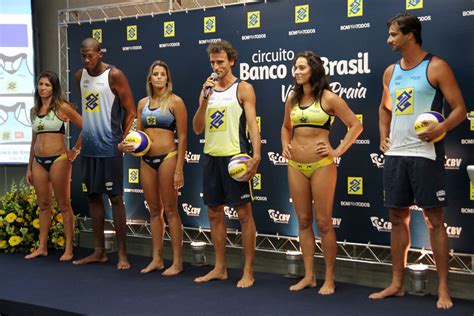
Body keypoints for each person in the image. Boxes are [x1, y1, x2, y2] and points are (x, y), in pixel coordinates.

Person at [369, 13, 466, 309]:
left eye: (394, 34)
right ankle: (397, 284)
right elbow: (384, 108)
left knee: (435, 222)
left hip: (426, 155)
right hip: (396, 155)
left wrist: (442, 128)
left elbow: (460, 109)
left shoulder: (436, 67)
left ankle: (443, 290)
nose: (389, 40)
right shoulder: (390, 72)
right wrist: (384, 136)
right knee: (397, 219)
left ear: (410, 35)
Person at [281, 51, 362, 295]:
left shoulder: (329, 98)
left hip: (321, 166)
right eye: (295, 67)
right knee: (304, 221)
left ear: (313, 70)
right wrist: (285, 143)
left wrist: (336, 151)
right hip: (295, 165)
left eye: (302, 68)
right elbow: (286, 127)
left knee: (324, 223)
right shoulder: (292, 99)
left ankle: (329, 278)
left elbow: (356, 125)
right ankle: (309, 276)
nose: (296, 72)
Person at [192, 40, 261, 288]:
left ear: (231, 61)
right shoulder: (206, 90)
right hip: (211, 156)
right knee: (213, 213)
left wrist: (257, 155)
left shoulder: (243, 88)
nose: (216, 66)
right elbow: (197, 128)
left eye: (220, 61)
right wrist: (203, 100)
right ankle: (220, 267)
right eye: (212, 62)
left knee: (244, 214)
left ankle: (248, 271)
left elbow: (252, 124)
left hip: (236, 157)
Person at [72, 38, 136, 270]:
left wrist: (125, 139)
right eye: (83, 56)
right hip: (89, 150)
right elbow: (89, 115)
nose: (87, 60)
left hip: (110, 148)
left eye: (91, 55)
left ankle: (122, 254)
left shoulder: (114, 75)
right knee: (92, 197)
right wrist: (78, 146)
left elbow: (131, 111)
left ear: (100, 53)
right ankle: (98, 251)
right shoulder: (80, 76)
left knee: (116, 199)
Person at [118, 60, 187, 275]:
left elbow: (183, 137)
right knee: (154, 211)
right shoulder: (142, 104)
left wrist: (179, 168)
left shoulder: (176, 102)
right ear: (150, 78)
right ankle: (157, 259)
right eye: (155, 74)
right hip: (146, 160)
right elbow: (137, 134)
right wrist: (125, 145)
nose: (159, 77)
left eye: (162, 74)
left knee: (171, 210)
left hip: (168, 157)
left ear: (168, 79)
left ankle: (177, 262)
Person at [25, 70, 82, 261]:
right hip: (38, 162)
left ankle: (69, 248)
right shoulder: (35, 110)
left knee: (64, 204)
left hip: (59, 159)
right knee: (43, 205)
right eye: (41, 84)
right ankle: (42, 247)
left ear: (54, 87)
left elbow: (86, 126)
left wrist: (75, 150)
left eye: (47, 85)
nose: (43, 88)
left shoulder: (62, 108)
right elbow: (33, 141)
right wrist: (29, 167)